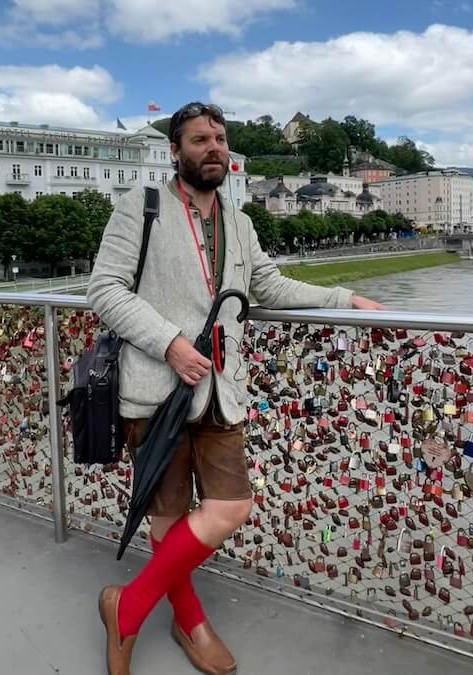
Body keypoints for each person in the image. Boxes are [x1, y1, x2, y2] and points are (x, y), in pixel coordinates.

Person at [87, 101, 384, 675]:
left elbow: (267, 286)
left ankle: (127, 604)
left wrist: (344, 299)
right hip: (155, 389)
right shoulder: (139, 208)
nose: (213, 148)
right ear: (176, 151)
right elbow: (105, 289)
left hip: (221, 390)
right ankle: (190, 621)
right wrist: (169, 341)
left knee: (230, 506)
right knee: (168, 518)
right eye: (199, 139)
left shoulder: (238, 221)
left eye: (220, 139)